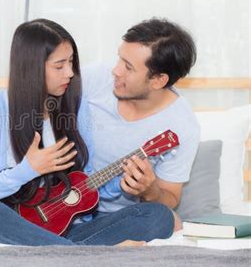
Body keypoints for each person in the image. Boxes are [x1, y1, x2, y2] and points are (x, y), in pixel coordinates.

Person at [0, 18, 174, 246]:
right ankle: (79, 256)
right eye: (59, 66)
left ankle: (65, 255)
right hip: (14, 227)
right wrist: (26, 171)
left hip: (71, 231)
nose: (70, 73)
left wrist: (125, 181)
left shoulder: (77, 108)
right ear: (31, 67)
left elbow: (85, 184)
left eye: (71, 62)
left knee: (159, 216)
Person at [81, 18, 200, 230]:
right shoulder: (96, 78)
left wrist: (150, 191)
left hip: (119, 218)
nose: (116, 71)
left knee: (168, 221)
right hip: (59, 201)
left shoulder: (182, 126)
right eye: (120, 59)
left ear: (158, 80)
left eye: (128, 67)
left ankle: (77, 242)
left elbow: (170, 196)